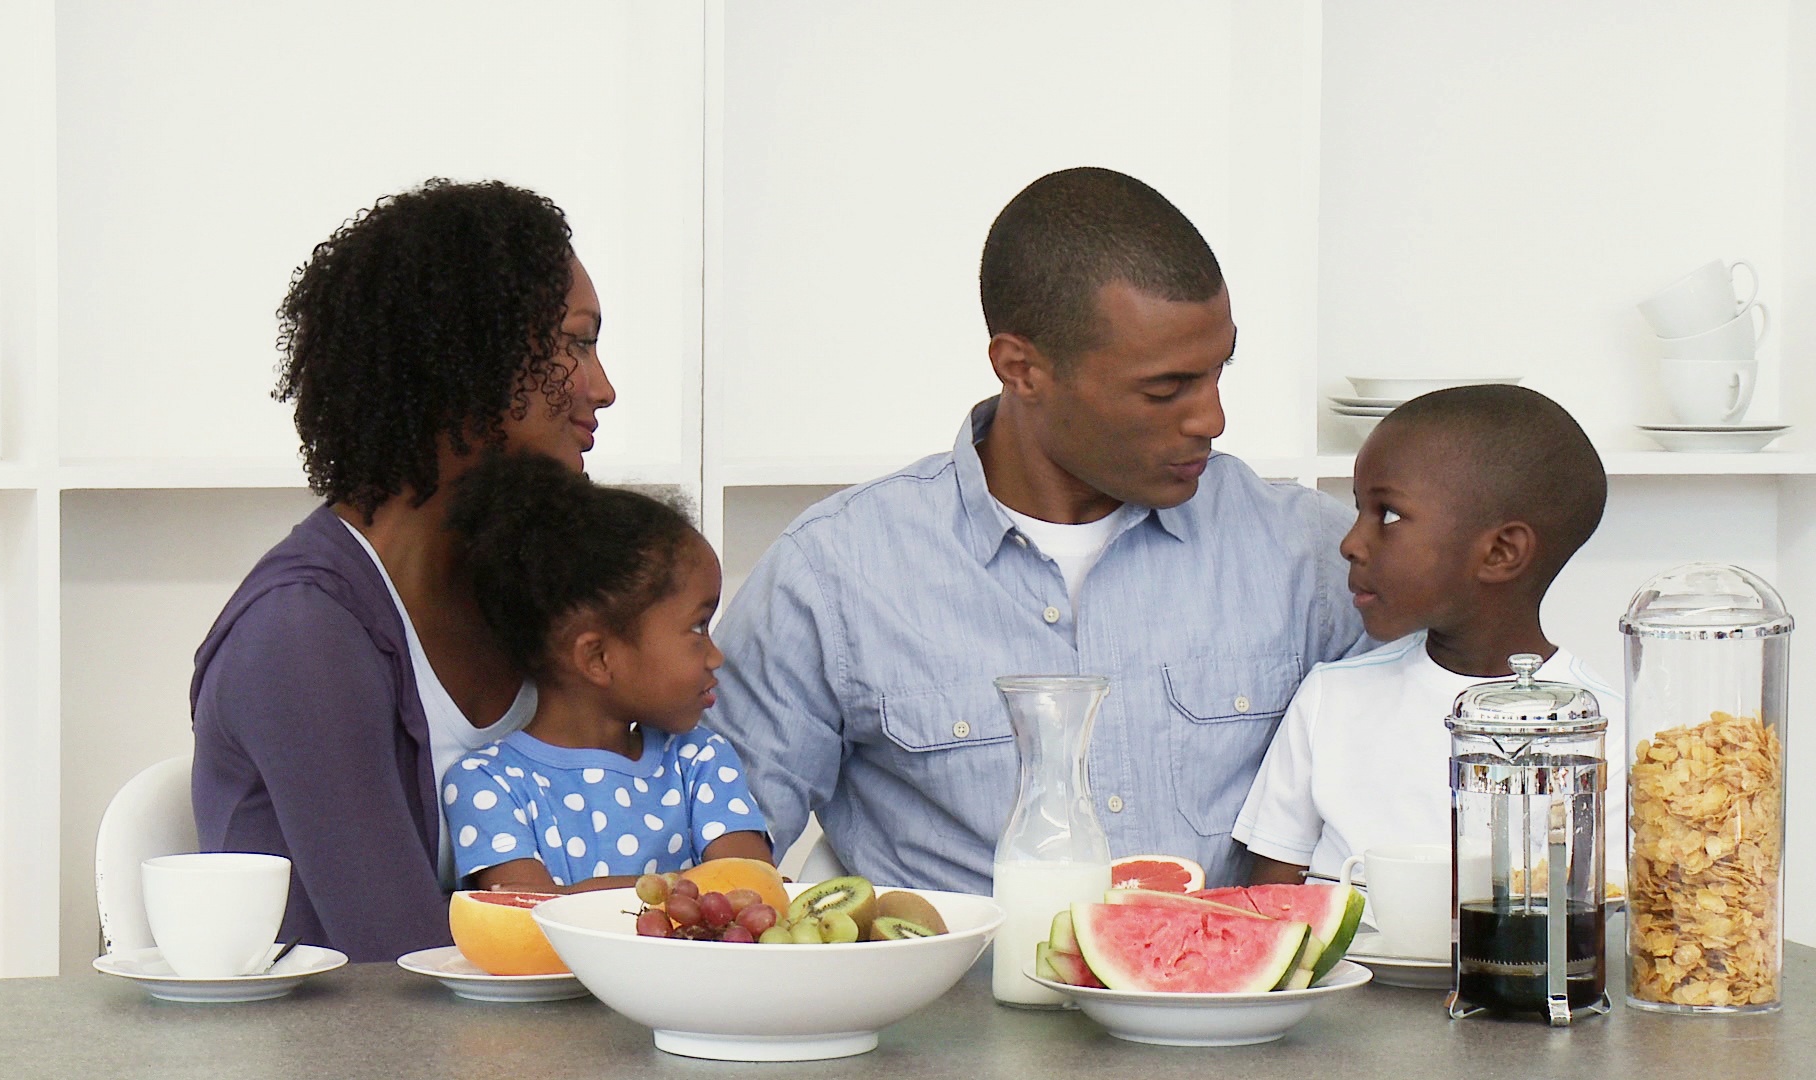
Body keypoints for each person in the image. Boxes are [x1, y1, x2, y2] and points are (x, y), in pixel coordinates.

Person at [707, 167, 1365, 894]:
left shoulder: (1313, 556)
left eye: (1219, 371)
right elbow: (721, 856)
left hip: (1241, 1005)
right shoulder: (831, 574)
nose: (1211, 418)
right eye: (1166, 388)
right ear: (1021, 368)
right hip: (938, 1005)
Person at [189, 179, 617, 961]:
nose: (603, 389)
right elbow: (401, 969)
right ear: (469, 361)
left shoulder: (534, 593)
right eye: (577, 343)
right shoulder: (299, 635)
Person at [1234, 384, 1627, 885]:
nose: (1351, 542)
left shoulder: (1607, 736)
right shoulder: (1329, 698)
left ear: (1501, 552)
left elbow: (1605, 926)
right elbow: (1271, 908)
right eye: (1358, 510)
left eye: (1389, 515)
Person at [438, 452, 773, 893]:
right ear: (597, 658)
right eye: (697, 626)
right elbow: (526, 917)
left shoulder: (701, 759)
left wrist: (575, 899)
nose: (716, 657)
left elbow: (752, 890)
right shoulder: (487, 781)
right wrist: (689, 887)